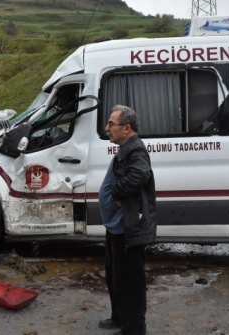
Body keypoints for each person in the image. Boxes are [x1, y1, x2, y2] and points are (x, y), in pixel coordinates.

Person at [98, 105, 156, 335]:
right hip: (116, 226)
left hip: (127, 227)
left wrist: (116, 192)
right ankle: (119, 317)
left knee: (130, 279)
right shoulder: (125, 148)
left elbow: (141, 174)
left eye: (111, 124)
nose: (107, 128)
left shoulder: (135, 150)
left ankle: (134, 329)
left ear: (127, 128)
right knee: (115, 275)